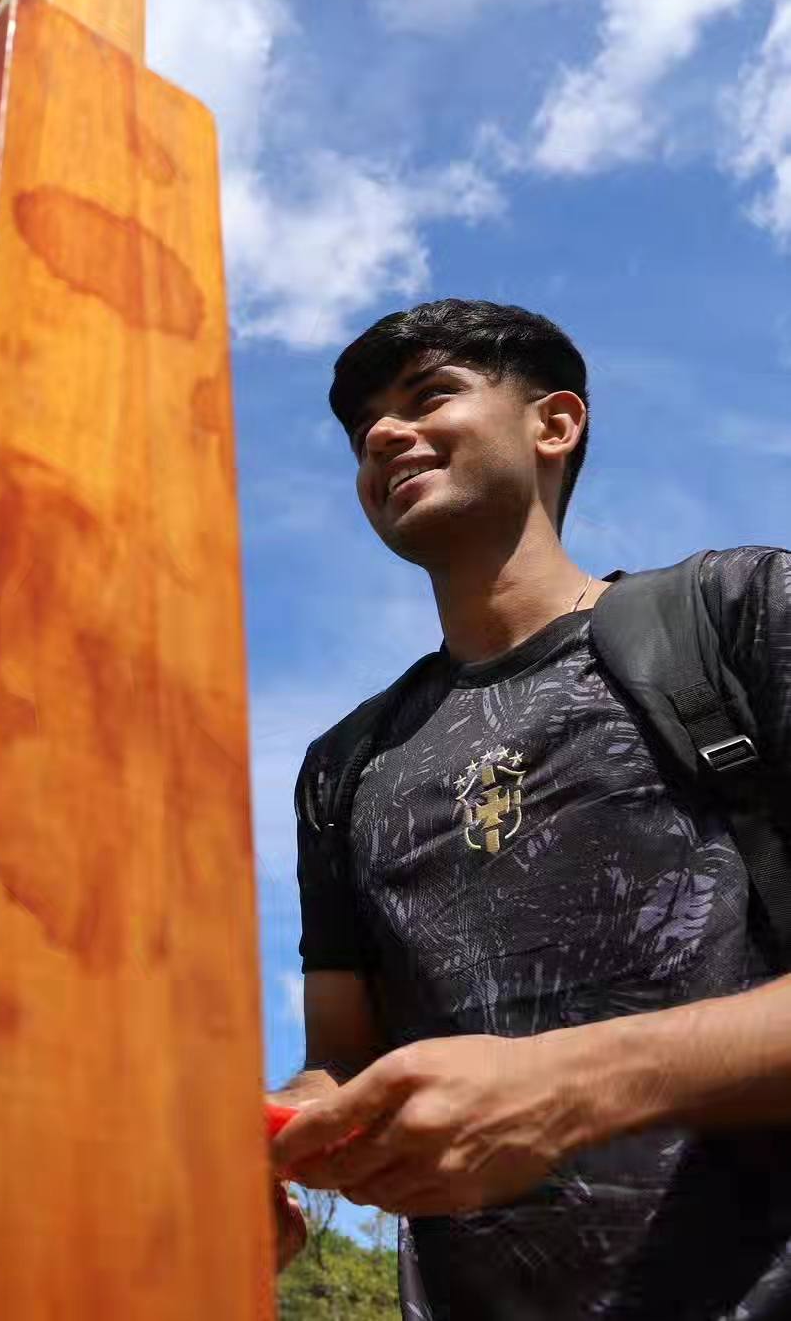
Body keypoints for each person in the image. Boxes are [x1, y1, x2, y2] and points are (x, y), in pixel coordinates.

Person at [267, 299, 791, 1319]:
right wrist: (281, 1143)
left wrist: (568, 1087)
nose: (380, 435)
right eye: (364, 427)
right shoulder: (344, 767)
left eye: (429, 396)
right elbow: (341, 1054)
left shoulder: (739, 617)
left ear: (554, 425)